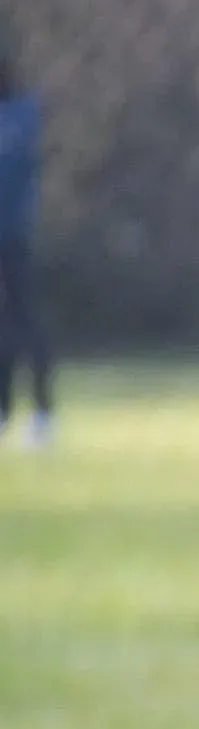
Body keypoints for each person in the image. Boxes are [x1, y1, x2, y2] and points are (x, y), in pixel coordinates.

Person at [0, 52, 54, 449]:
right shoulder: (27, 113)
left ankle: (40, 412)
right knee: (19, 321)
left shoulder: (22, 115)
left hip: (12, 231)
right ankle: (18, 413)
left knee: (22, 321)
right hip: (17, 231)